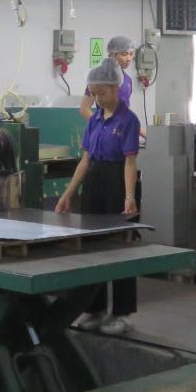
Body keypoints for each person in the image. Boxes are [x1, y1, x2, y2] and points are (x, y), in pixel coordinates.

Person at [56, 58, 141, 336]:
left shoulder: (128, 120)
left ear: (116, 89)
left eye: (102, 93)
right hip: (94, 182)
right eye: (93, 94)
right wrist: (69, 193)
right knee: (92, 246)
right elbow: (85, 160)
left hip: (118, 181)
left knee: (119, 246)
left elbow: (130, 162)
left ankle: (122, 313)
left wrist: (129, 196)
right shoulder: (94, 120)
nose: (97, 99)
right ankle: (94, 309)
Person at [78, 35, 137, 119]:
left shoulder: (128, 80)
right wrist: (101, 124)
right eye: (124, 54)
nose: (129, 59)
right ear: (112, 54)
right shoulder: (98, 78)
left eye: (131, 54)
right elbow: (84, 109)